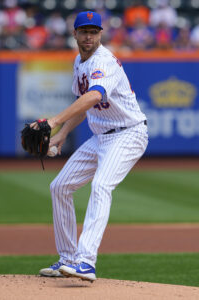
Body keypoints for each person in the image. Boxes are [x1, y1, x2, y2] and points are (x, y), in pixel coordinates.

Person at [38, 11, 148, 282]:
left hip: (128, 134)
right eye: (84, 31)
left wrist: (53, 121)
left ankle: (86, 262)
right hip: (101, 137)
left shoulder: (103, 61)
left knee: (101, 186)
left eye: (94, 31)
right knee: (59, 187)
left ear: (101, 34)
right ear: (74, 34)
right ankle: (68, 258)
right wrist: (62, 134)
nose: (89, 36)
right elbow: (83, 103)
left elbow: (95, 95)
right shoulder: (79, 61)